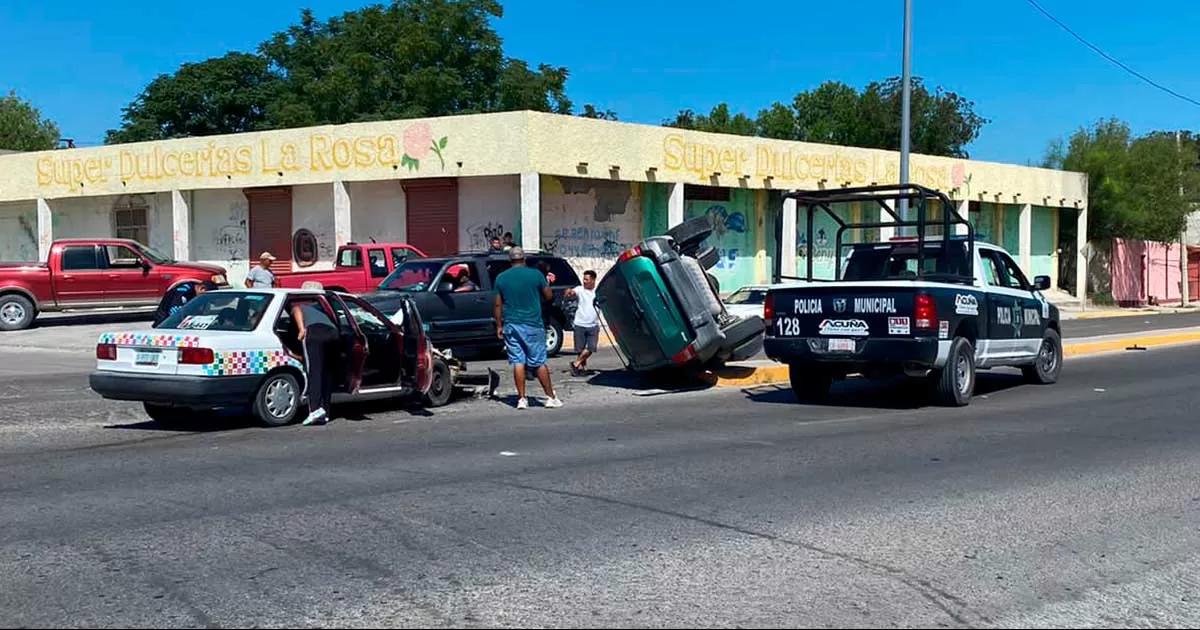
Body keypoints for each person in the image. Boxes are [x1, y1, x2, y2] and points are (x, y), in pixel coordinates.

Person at [493, 247, 563, 410]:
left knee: (518, 362)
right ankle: (550, 397)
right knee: (539, 362)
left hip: (511, 324)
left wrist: (499, 325)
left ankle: (522, 399)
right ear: (523, 259)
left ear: (510, 260)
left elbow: (497, 304)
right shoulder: (536, 275)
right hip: (532, 323)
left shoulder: (501, 278)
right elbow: (549, 296)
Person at [292, 300, 339, 426]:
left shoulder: (298, 304)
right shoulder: (321, 308)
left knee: (314, 371)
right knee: (327, 372)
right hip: (333, 333)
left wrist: (301, 329)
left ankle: (314, 410)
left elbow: (296, 309)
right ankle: (326, 411)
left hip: (314, 334)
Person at [565, 270, 599, 376]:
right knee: (580, 349)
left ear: (593, 280)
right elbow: (572, 292)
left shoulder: (598, 292)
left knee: (591, 347)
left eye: (587, 279)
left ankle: (575, 364)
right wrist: (568, 292)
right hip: (580, 323)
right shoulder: (580, 289)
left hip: (593, 325)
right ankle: (582, 369)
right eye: (583, 279)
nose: (584, 281)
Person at [153, 280, 218, 327]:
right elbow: (175, 313)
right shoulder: (183, 292)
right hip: (165, 324)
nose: (205, 301)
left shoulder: (195, 292)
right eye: (206, 298)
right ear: (202, 288)